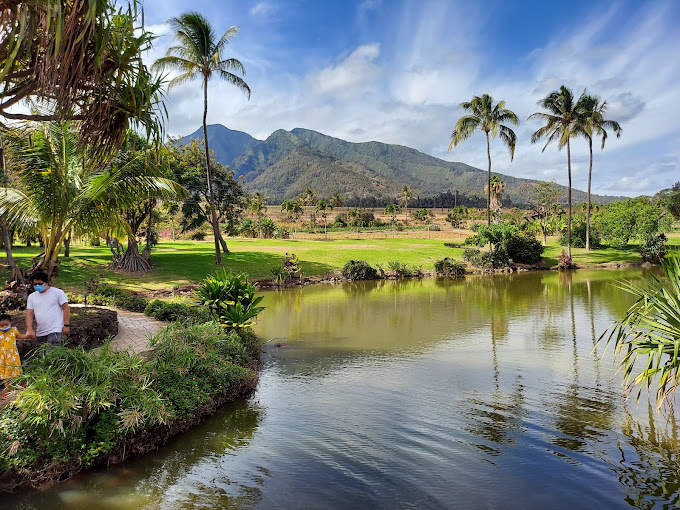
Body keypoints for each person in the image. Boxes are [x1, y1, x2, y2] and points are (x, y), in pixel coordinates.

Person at [25, 271, 70, 346]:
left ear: (46, 283)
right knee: (41, 355)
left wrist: (66, 325)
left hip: (55, 329)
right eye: (35, 284)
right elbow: (29, 313)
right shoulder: (32, 297)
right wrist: (29, 329)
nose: (37, 286)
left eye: (40, 284)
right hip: (40, 331)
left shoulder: (57, 293)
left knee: (52, 354)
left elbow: (66, 308)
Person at [0, 313, 28, 398]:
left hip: (13, 356)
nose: (4, 327)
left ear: (10, 322)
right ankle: (9, 390)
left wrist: (27, 336)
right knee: (6, 374)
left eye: (6, 324)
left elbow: (19, 336)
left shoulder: (13, 330)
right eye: (2, 325)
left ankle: (22, 383)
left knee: (17, 370)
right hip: (2, 357)